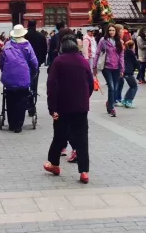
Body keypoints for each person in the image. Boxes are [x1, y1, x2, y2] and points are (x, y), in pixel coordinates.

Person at [43, 37, 94, 183]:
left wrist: (52, 108)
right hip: (81, 106)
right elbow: (90, 83)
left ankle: (54, 164)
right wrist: (84, 98)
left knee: (59, 135)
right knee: (82, 138)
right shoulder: (83, 61)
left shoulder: (58, 61)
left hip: (62, 106)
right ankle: (84, 172)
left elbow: (51, 85)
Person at [0, 25, 39, 133]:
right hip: (23, 78)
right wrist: (33, 73)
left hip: (9, 80)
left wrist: (5, 72)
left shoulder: (7, 45)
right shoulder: (27, 45)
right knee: (21, 100)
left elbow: (1, 62)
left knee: (10, 100)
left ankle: (11, 124)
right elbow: (34, 62)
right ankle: (18, 125)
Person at [94, 24, 124, 117]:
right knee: (111, 87)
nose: (111, 32)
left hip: (116, 67)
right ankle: (111, 108)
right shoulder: (103, 40)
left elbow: (121, 56)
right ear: (107, 31)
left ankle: (109, 103)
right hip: (106, 67)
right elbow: (97, 53)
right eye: (110, 30)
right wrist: (94, 66)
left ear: (116, 31)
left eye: (113, 30)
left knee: (115, 88)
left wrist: (122, 69)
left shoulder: (119, 41)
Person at [25, 20, 48, 94]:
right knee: (35, 78)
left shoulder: (24, 36)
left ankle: (25, 92)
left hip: (24, 61)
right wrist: (41, 60)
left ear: (28, 25)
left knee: (25, 77)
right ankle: (33, 92)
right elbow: (45, 50)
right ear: (35, 25)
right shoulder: (41, 36)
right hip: (37, 60)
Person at [122, 40, 139, 108]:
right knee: (134, 86)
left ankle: (125, 100)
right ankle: (129, 101)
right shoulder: (131, 53)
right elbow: (135, 63)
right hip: (129, 71)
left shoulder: (124, 52)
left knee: (131, 86)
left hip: (125, 71)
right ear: (133, 46)